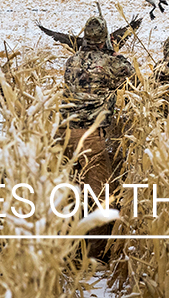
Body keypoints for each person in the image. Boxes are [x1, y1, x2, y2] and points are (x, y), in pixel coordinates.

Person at [59, 16, 137, 258]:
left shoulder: (72, 61)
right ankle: (94, 257)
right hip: (90, 136)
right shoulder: (109, 62)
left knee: (71, 195)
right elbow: (130, 75)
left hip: (64, 134)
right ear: (104, 39)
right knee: (101, 197)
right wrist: (114, 54)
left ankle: (68, 252)